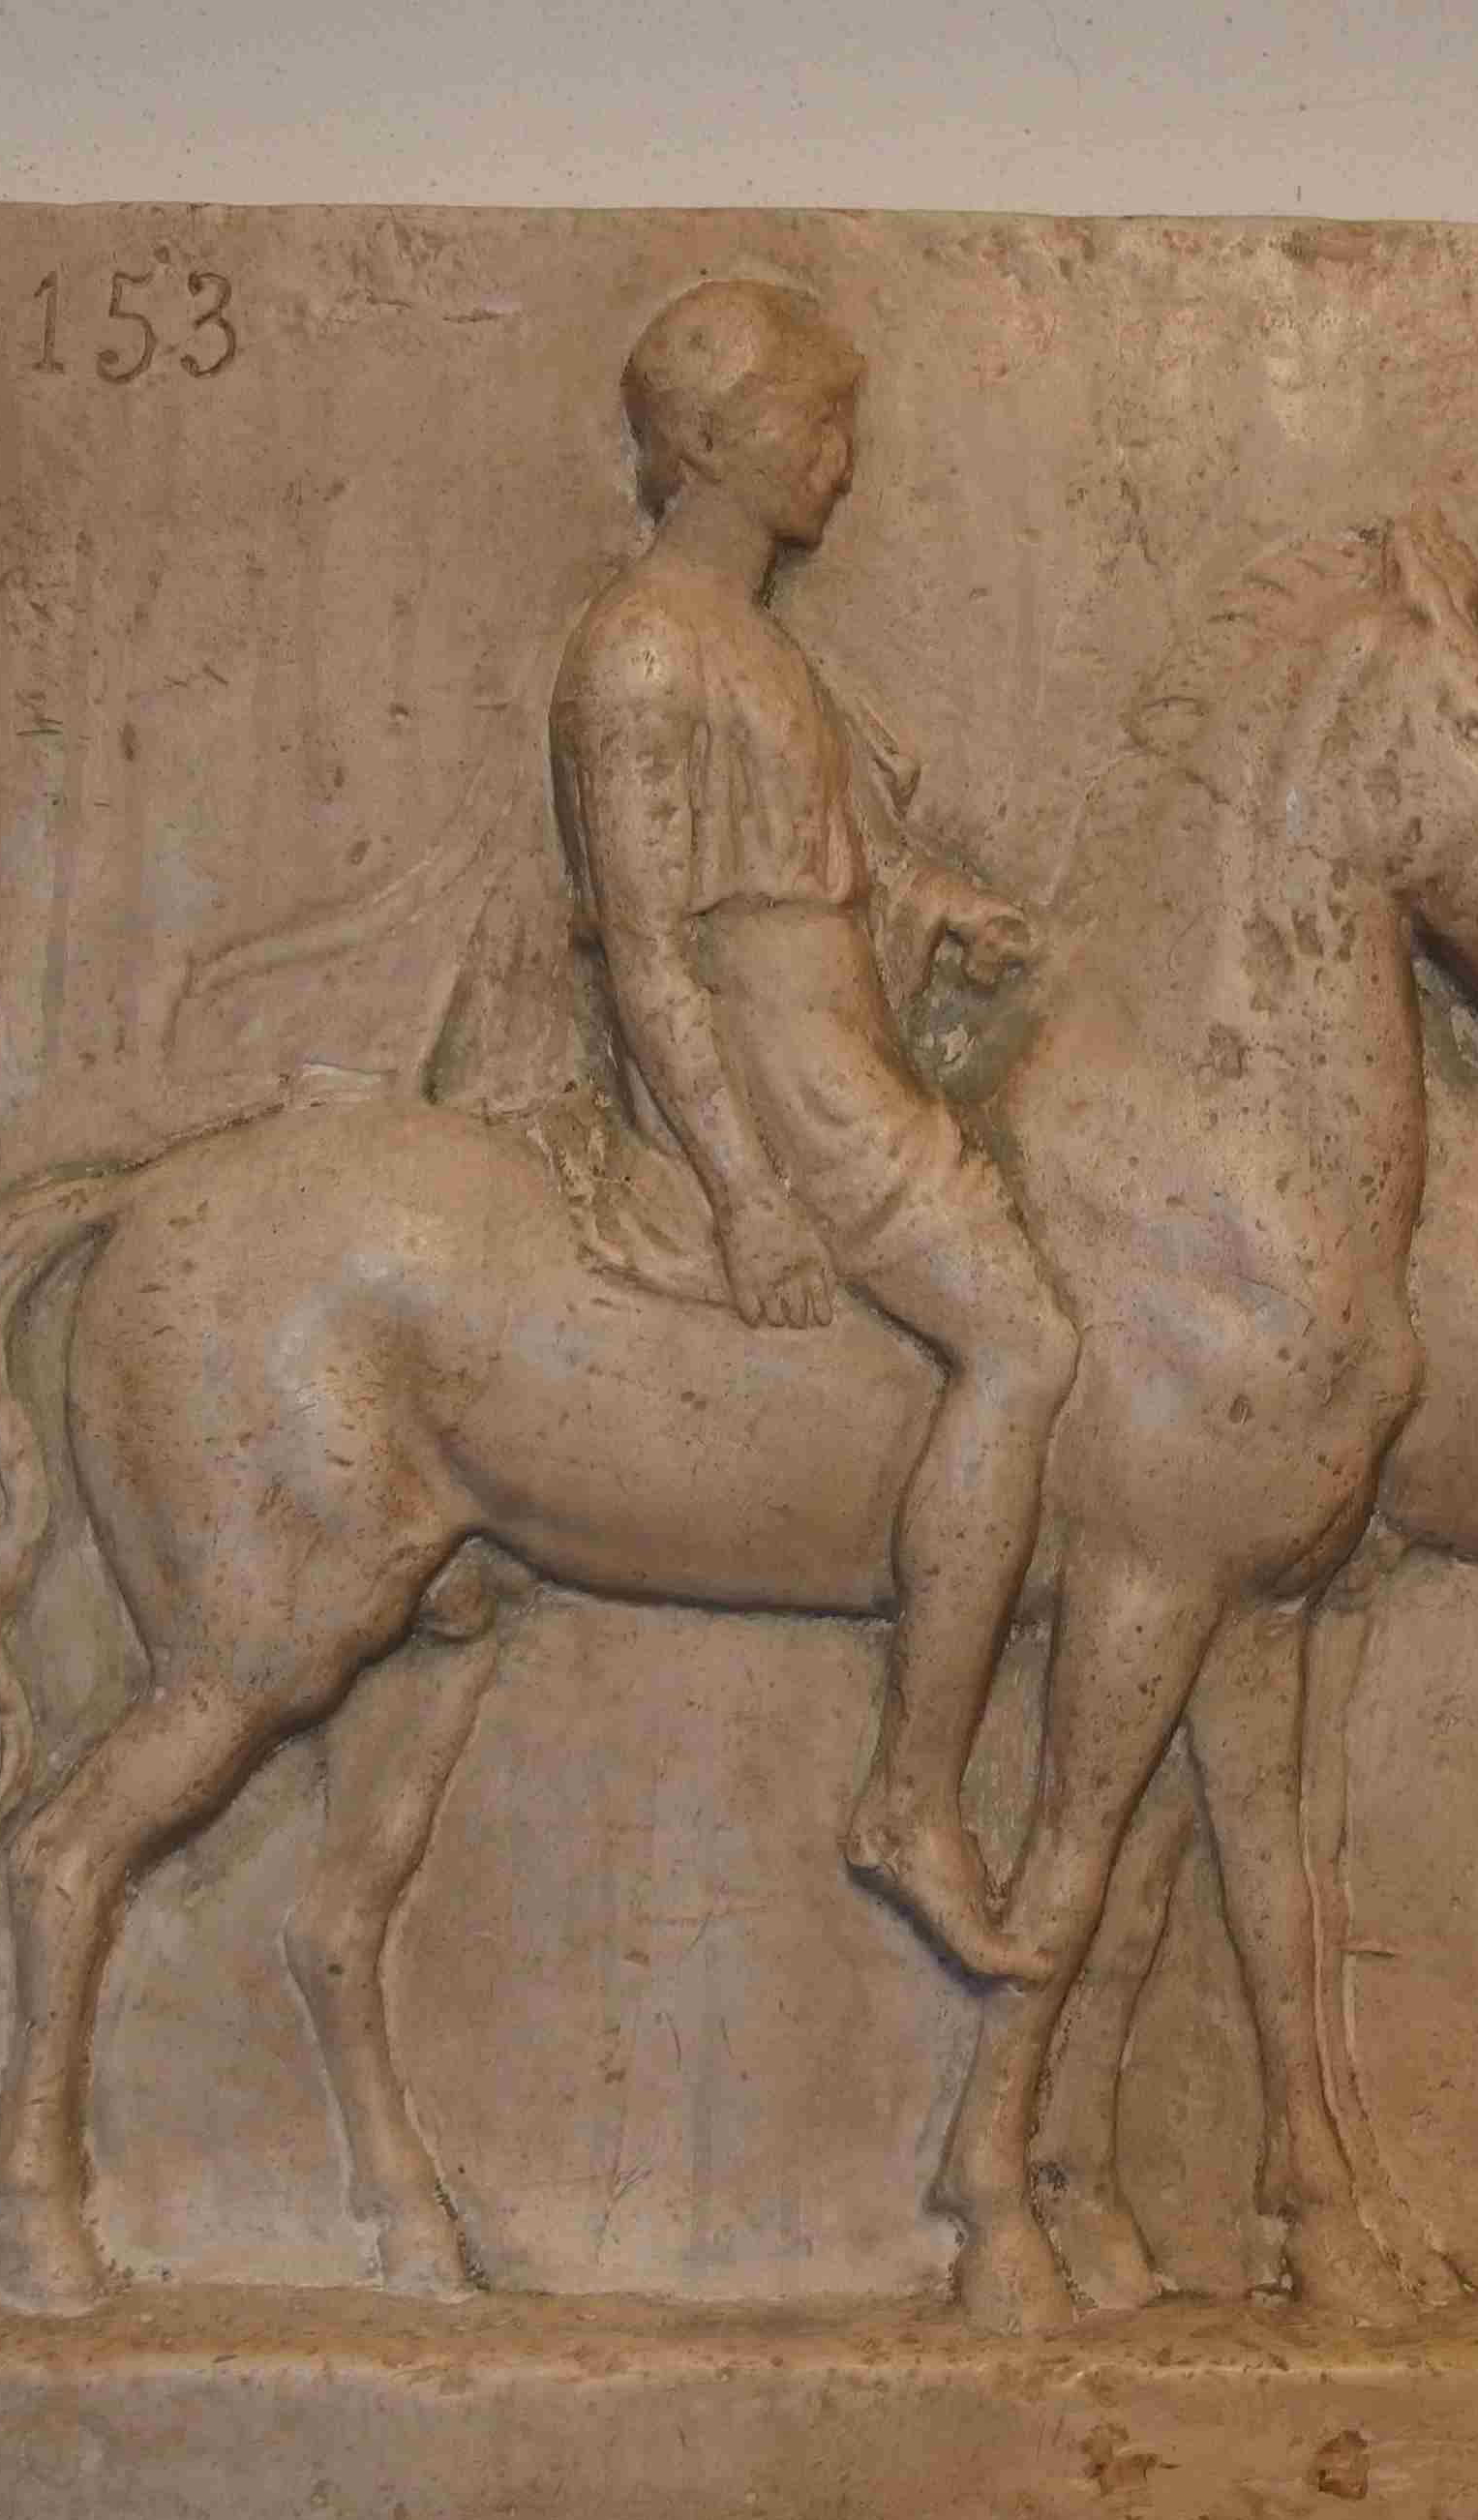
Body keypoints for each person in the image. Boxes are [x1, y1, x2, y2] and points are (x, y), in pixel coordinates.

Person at [554, 277, 1078, 1983]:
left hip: (841, 1035)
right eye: (814, 421)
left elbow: (812, 861)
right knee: (1024, 1343)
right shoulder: (645, 649)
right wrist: (745, 1191)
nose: (840, 460)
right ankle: (913, 1798)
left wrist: (932, 907)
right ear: (712, 439)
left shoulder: (763, 641)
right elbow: (654, 949)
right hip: (785, 1083)